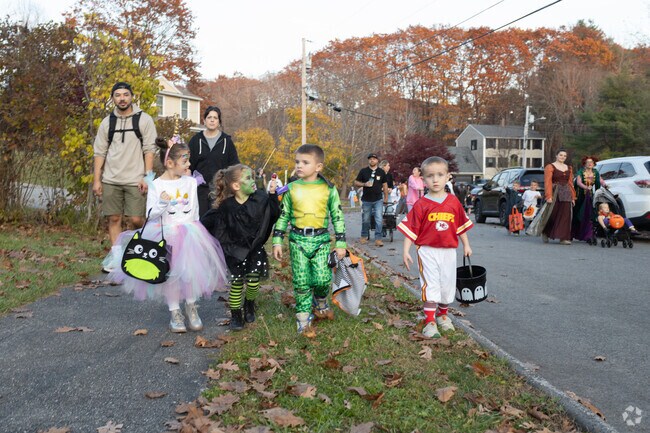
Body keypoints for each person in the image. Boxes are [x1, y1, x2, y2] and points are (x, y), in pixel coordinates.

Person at [103, 137, 229, 333]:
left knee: (188, 274)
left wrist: (196, 230)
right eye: (185, 161)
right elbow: (150, 214)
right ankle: (175, 312)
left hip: (188, 233)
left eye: (188, 160)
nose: (189, 164)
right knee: (169, 275)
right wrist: (162, 203)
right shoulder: (156, 184)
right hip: (165, 235)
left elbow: (194, 210)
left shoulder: (189, 182)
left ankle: (191, 306)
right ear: (170, 163)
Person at [272, 144, 347, 337]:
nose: (299, 166)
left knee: (322, 279)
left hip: (321, 240)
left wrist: (340, 242)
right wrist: (277, 239)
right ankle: (303, 318)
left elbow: (337, 215)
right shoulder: (291, 188)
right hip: (297, 240)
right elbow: (284, 215)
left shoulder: (328, 189)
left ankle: (321, 300)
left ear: (318, 167)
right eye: (297, 162)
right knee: (302, 281)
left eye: (305, 162)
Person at [398, 156, 472, 338]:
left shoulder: (453, 202)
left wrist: (466, 245)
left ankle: (443, 316)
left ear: (448, 177)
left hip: (448, 250)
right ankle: (429, 320)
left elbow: (460, 226)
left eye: (440, 175)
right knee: (431, 283)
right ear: (423, 179)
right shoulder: (421, 204)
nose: (435, 179)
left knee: (447, 284)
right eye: (430, 176)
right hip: (427, 250)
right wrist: (406, 251)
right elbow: (411, 229)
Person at [201, 164, 281, 331]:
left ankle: (249, 304)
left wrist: (272, 195)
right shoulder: (227, 206)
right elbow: (219, 228)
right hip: (235, 251)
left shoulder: (260, 199)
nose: (253, 181)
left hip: (254, 249)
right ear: (236, 186)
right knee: (237, 283)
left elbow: (273, 214)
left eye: (253, 177)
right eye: (248, 178)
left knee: (252, 282)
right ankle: (236, 315)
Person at [93, 82, 158, 272]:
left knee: (137, 219)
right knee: (113, 218)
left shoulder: (144, 120)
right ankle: (117, 257)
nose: (122, 98)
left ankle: (142, 252)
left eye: (126, 95)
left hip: (135, 179)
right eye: (118, 95)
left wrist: (147, 177)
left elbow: (149, 150)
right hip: (111, 179)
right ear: (113, 98)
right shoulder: (107, 122)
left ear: (132, 97)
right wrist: (97, 179)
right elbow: (99, 152)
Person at [189, 106, 240, 217]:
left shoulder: (227, 141)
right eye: (209, 117)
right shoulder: (195, 140)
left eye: (215, 118)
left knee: (218, 224)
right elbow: (188, 166)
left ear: (219, 122)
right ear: (204, 120)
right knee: (201, 225)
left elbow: (235, 167)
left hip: (220, 192)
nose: (212, 120)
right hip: (200, 192)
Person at [541, 149, 576, 245]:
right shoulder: (550, 167)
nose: (563, 157)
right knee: (552, 214)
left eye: (565, 156)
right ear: (556, 156)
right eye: (561, 155)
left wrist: (573, 197)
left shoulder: (569, 168)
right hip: (555, 192)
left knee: (565, 216)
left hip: (566, 193)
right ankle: (545, 231)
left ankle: (563, 238)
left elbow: (570, 183)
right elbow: (548, 182)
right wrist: (549, 196)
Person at [354, 153, 389, 247]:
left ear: (377, 160)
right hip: (366, 200)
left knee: (379, 219)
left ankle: (378, 239)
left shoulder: (381, 172)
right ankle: (364, 236)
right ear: (368, 160)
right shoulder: (363, 171)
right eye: (370, 159)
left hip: (378, 199)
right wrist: (364, 184)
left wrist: (386, 198)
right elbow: (356, 182)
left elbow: (385, 185)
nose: (372, 160)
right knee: (366, 219)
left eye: (374, 159)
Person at [572, 156, 606, 241]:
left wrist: (605, 185)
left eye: (591, 162)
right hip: (580, 197)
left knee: (589, 215)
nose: (590, 163)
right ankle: (574, 233)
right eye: (587, 162)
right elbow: (578, 182)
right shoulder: (581, 172)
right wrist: (585, 187)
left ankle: (588, 235)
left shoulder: (596, 172)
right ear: (584, 164)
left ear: (594, 163)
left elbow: (600, 180)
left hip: (590, 196)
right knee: (577, 215)